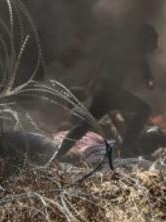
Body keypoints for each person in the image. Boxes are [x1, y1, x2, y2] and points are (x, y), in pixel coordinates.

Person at [51, 24, 158, 161]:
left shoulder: (136, 52)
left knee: (85, 126)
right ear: (145, 39)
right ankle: (126, 147)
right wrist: (92, 87)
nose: (154, 46)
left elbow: (146, 72)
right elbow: (103, 65)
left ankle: (59, 153)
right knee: (143, 110)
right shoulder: (128, 49)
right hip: (109, 92)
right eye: (152, 40)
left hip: (108, 92)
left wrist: (149, 81)